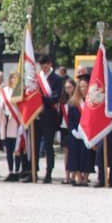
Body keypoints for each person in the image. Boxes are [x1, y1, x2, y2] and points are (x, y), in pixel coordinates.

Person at [35, 55, 64, 183]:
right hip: (36, 115)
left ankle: (49, 172)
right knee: (35, 145)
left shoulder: (57, 79)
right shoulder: (36, 78)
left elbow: (55, 97)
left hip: (49, 115)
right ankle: (34, 171)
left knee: (48, 146)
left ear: (50, 64)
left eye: (45, 64)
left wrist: (41, 98)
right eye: (42, 65)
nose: (44, 67)